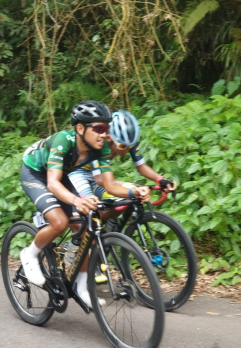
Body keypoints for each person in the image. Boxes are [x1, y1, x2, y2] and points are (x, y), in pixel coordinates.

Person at [19, 100, 151, 309]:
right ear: (80, 128)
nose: (104, 134)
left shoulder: (101, 147)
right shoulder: (64, 140)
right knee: (59, 222)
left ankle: (81, 287)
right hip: (36, 173)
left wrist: (134, 190)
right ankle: (30, 254)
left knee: (83, 230)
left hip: (62, 176)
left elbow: (109, 184)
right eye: (98, 128)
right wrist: (76, 200)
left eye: (107, 129)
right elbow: (52, 183)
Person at [68, 109, 177, 204]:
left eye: (130, 146)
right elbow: (100, 180)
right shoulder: (100, 145)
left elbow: (142, 166)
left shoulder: (127, 141)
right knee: (92, 207)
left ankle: (110, 226)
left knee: (123, 199)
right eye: (123, 146)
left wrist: (161, 180)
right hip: (79, 174)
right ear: (110, 138)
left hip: (98, 174)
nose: (126, 150)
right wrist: (132, 187)